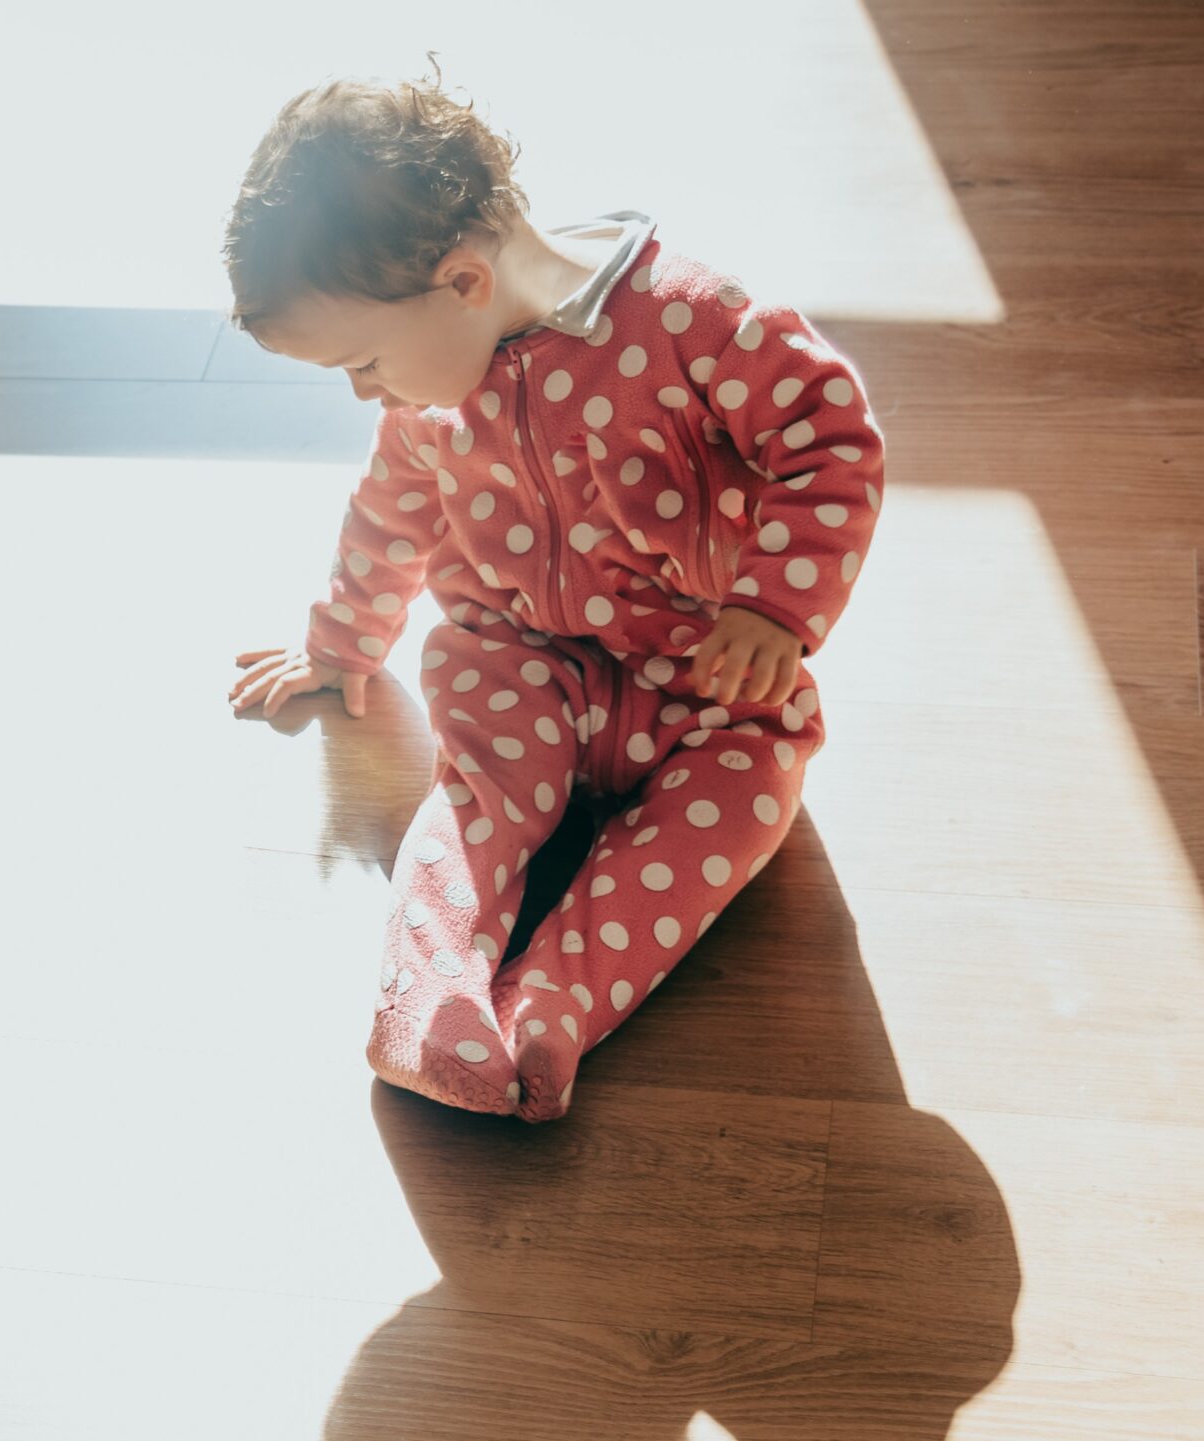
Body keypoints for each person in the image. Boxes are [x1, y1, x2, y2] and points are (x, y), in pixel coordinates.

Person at [221, 73, 887, 1121]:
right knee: (484, 793)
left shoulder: (693, 322)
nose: (365, 392)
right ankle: (428, 1003)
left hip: (706, 673)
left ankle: (557, 1006)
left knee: (749, 794)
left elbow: (830, 436)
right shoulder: (429, 397)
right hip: (521, 659)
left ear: (465, 280)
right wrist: (343, 642)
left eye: (362, 361)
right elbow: (390, 516)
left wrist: (773, 608)